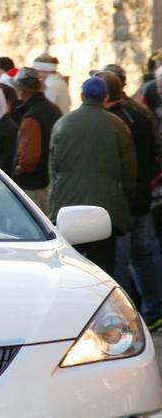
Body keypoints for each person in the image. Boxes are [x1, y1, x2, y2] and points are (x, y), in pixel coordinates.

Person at [96, 70, 162, 331]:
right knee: (144, 255)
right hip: (142, 196)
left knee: (121, 260)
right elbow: (157, 152)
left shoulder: (111, 120)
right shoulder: (141, 112)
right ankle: (155, 310)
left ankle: (127, 316)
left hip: (123, 199)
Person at [48, 77, 136, 273]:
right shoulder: (117, 125)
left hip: (67, 206)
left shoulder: (62, 123)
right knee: (103, 269)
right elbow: (129, 171)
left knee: (70, 268)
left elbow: (53, 169)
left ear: (81, 96)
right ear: (105, 97)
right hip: (105, 209)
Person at [11, 67, 62, 214]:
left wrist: (19, 169)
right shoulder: (53, 109)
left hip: (34, 187)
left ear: (21, 89)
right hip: (49, 182)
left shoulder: (32, 117)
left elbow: (29, 159)